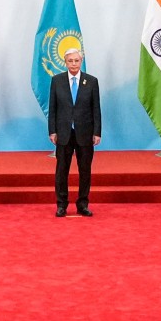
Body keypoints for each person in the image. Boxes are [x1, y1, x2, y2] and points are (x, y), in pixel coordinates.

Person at [48, 48, 101, 217]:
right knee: (61, 171)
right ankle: (61, 204)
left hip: (85, 133)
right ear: (65, 62)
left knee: (85, 171)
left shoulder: (91, 81)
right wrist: (52, 130)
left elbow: (96, 109)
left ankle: (83, 204)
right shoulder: (57, 81)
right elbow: (53, 108)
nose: (73, 64)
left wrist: (97, 132)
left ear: (81, 61)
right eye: (70, 61)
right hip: (63, 133)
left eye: (76, 61)